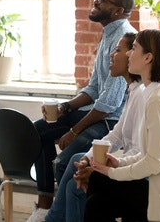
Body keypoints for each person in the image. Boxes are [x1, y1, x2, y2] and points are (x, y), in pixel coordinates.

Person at [27, 0, 137, 222]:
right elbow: (94, 88)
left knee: (66, 163)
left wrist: (74, 132)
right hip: (96, 111)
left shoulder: (124, 38)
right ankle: (44, 204)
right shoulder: (108, 34)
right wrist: (66, 108)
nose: (96, 0)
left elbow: (108, 103)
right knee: (36, 131)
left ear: (118, 11)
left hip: (108, 120)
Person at [45, 32, 144, 222]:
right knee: (76, 159)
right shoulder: (133, 91)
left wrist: (106, 167)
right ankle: (52, 219)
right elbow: (116, 136)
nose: (111, 55)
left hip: (140, 176)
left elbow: (145, 154)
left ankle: (51, 219)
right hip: (129, 167)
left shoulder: (144, 95)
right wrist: (87, 158)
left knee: (76, 183)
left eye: (118, 50)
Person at [86, 29, 160, 222]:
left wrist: (114, 172)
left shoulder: (158, 99)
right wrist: (119, 162)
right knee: (98, 202)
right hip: (157, 186)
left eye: (134, 48)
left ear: (148, 58)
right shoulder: (157, 90)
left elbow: (155, 161)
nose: (128, 53)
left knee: (98, 183)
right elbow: (149, 153)